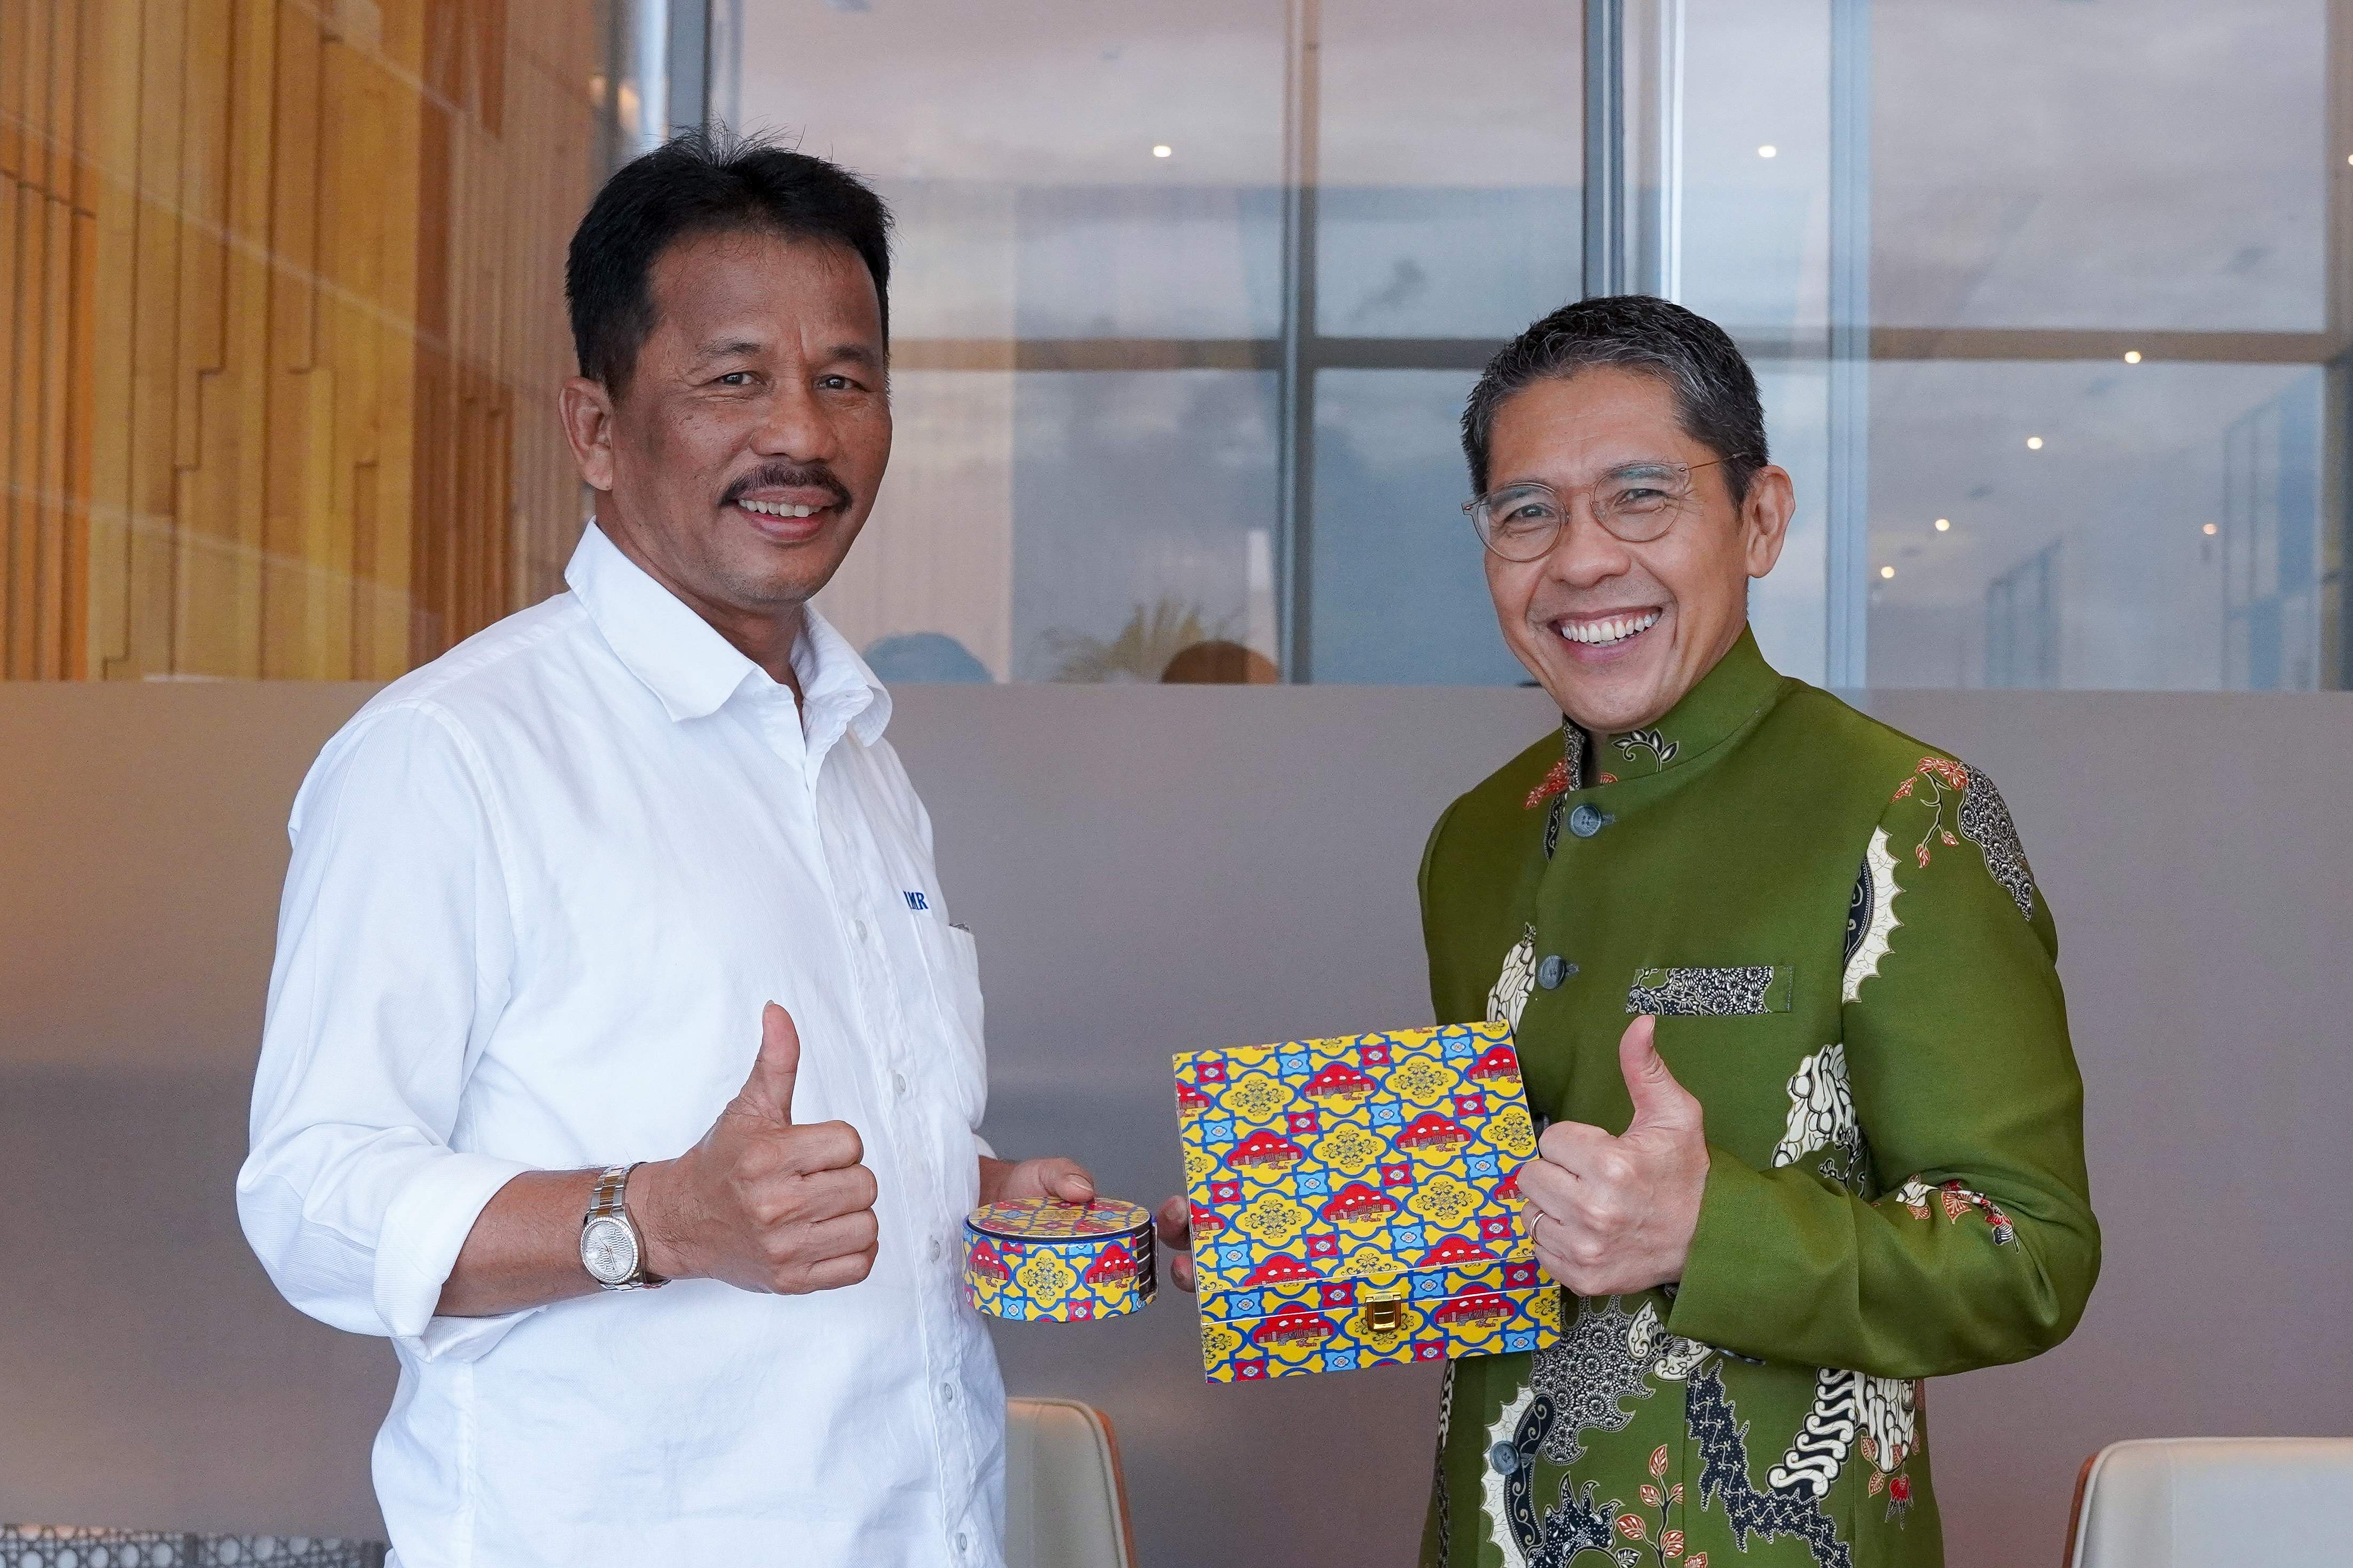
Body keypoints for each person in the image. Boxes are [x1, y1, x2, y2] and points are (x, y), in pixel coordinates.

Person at [237, 129, 1091, 1567]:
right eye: (732, 378)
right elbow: (311, 1200)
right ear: (594, 426)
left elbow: (811, 1129)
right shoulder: (454, 756)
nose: (802, 437)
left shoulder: (858, 756)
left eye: (843, 379)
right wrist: (655, 1220)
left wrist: (975, 1189)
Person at [1160, 296, 2097, 1567]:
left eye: (1640, 497)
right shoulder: (1480, 835)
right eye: (1525, 512)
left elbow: (2030, 1251)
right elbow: (1515, 1209)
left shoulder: (1902, 813)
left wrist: (1705, 1229)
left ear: (1758, 518)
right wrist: (1297, 1225)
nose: (1581, 560)